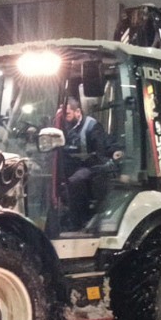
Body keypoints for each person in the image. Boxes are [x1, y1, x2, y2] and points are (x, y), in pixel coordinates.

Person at [55, 95, 108, 230]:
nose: (65, 118)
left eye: (67, 114)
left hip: (89, 166)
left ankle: (79, 221)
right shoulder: (61, 126)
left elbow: (100, 154)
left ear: (78, 112)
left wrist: (83, 161)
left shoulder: (92, 126)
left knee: (74, 181)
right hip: (69, 165)